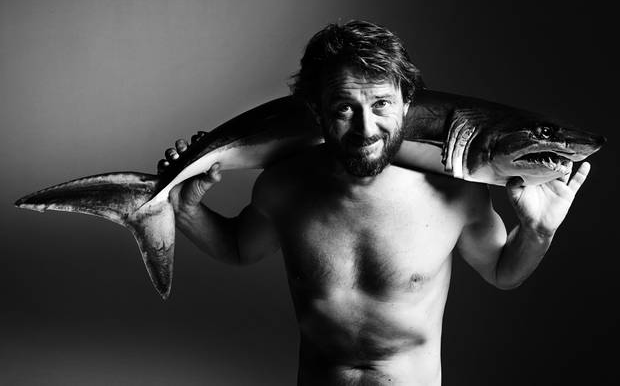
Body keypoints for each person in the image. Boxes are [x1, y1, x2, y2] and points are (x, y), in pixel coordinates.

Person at [157, 20, 590, 386]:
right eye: (345, 108)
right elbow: (238, 248)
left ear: (406, 101)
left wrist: (537, 231)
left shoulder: (456, 192)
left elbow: (503, 272)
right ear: (317, 110)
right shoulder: (284, 185)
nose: (366, 129)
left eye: (381, 104)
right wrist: (186, 208)